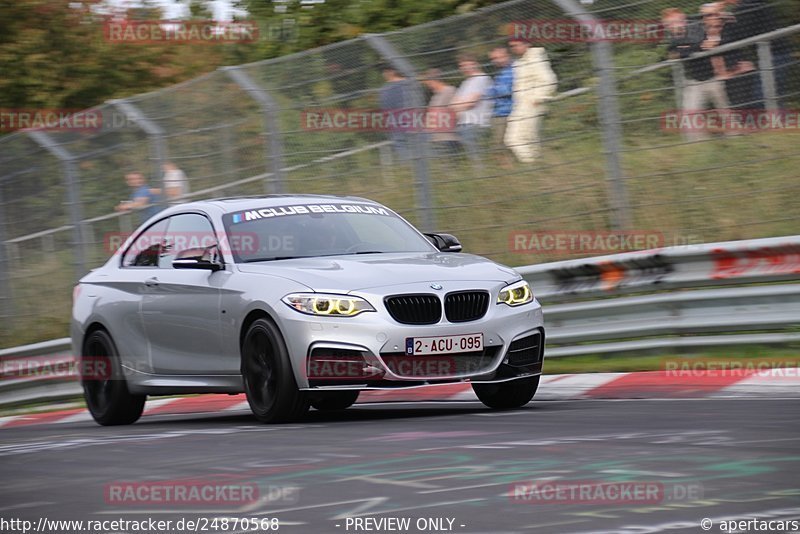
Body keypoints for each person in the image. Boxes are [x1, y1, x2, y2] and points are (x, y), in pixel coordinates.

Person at [505, 38, 557, 164]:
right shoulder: (521, 62)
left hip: (530, 103)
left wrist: (537, 98)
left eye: (517, 45)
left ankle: (532, 164)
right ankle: (538, 165)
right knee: (528, 137)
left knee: (515, 138)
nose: (514, 48)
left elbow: (549, 80)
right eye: (512, 46)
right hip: (521, 104)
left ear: (527, 44)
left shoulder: (535, 59)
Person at [449, 53, 493, 162]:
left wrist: (460, 104)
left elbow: (471, 102)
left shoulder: (482, 79)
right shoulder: (466, 82)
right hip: (464, 123)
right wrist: (461, 104)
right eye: (462, 65)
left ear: (475, 64)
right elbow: (452, 105)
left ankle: (482, 176)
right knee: (470, 157)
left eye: (468, 64)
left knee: (477, 157)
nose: (465, 68)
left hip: (476, 123)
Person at [486, 47, 515, 168]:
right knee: (498, 145)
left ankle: (509, 169)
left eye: (498, 57)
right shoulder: (501, 72)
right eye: (493, 59)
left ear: (506, 55)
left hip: (507, 111)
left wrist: (493, 90)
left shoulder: (514, 69)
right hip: (498, 111)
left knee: (499, 144)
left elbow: (507, 90)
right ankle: (508, 168)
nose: (495, 61)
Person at [420, 68, 460, 156]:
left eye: (428, 82)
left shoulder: (449, 91)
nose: (428, 85)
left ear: (433, 80)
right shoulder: (435, 96)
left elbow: (455, 111)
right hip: (436, 138)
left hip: (448, 138)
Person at [379, 64, 412, 161]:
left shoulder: (385, 89)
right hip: (412, 120)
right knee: (418, 146)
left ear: (392, 72)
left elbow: (384, 109)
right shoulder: (409, 84)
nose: (384, 74)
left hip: (396, 124)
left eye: (385, 71)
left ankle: (408, 168)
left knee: (403, 150)